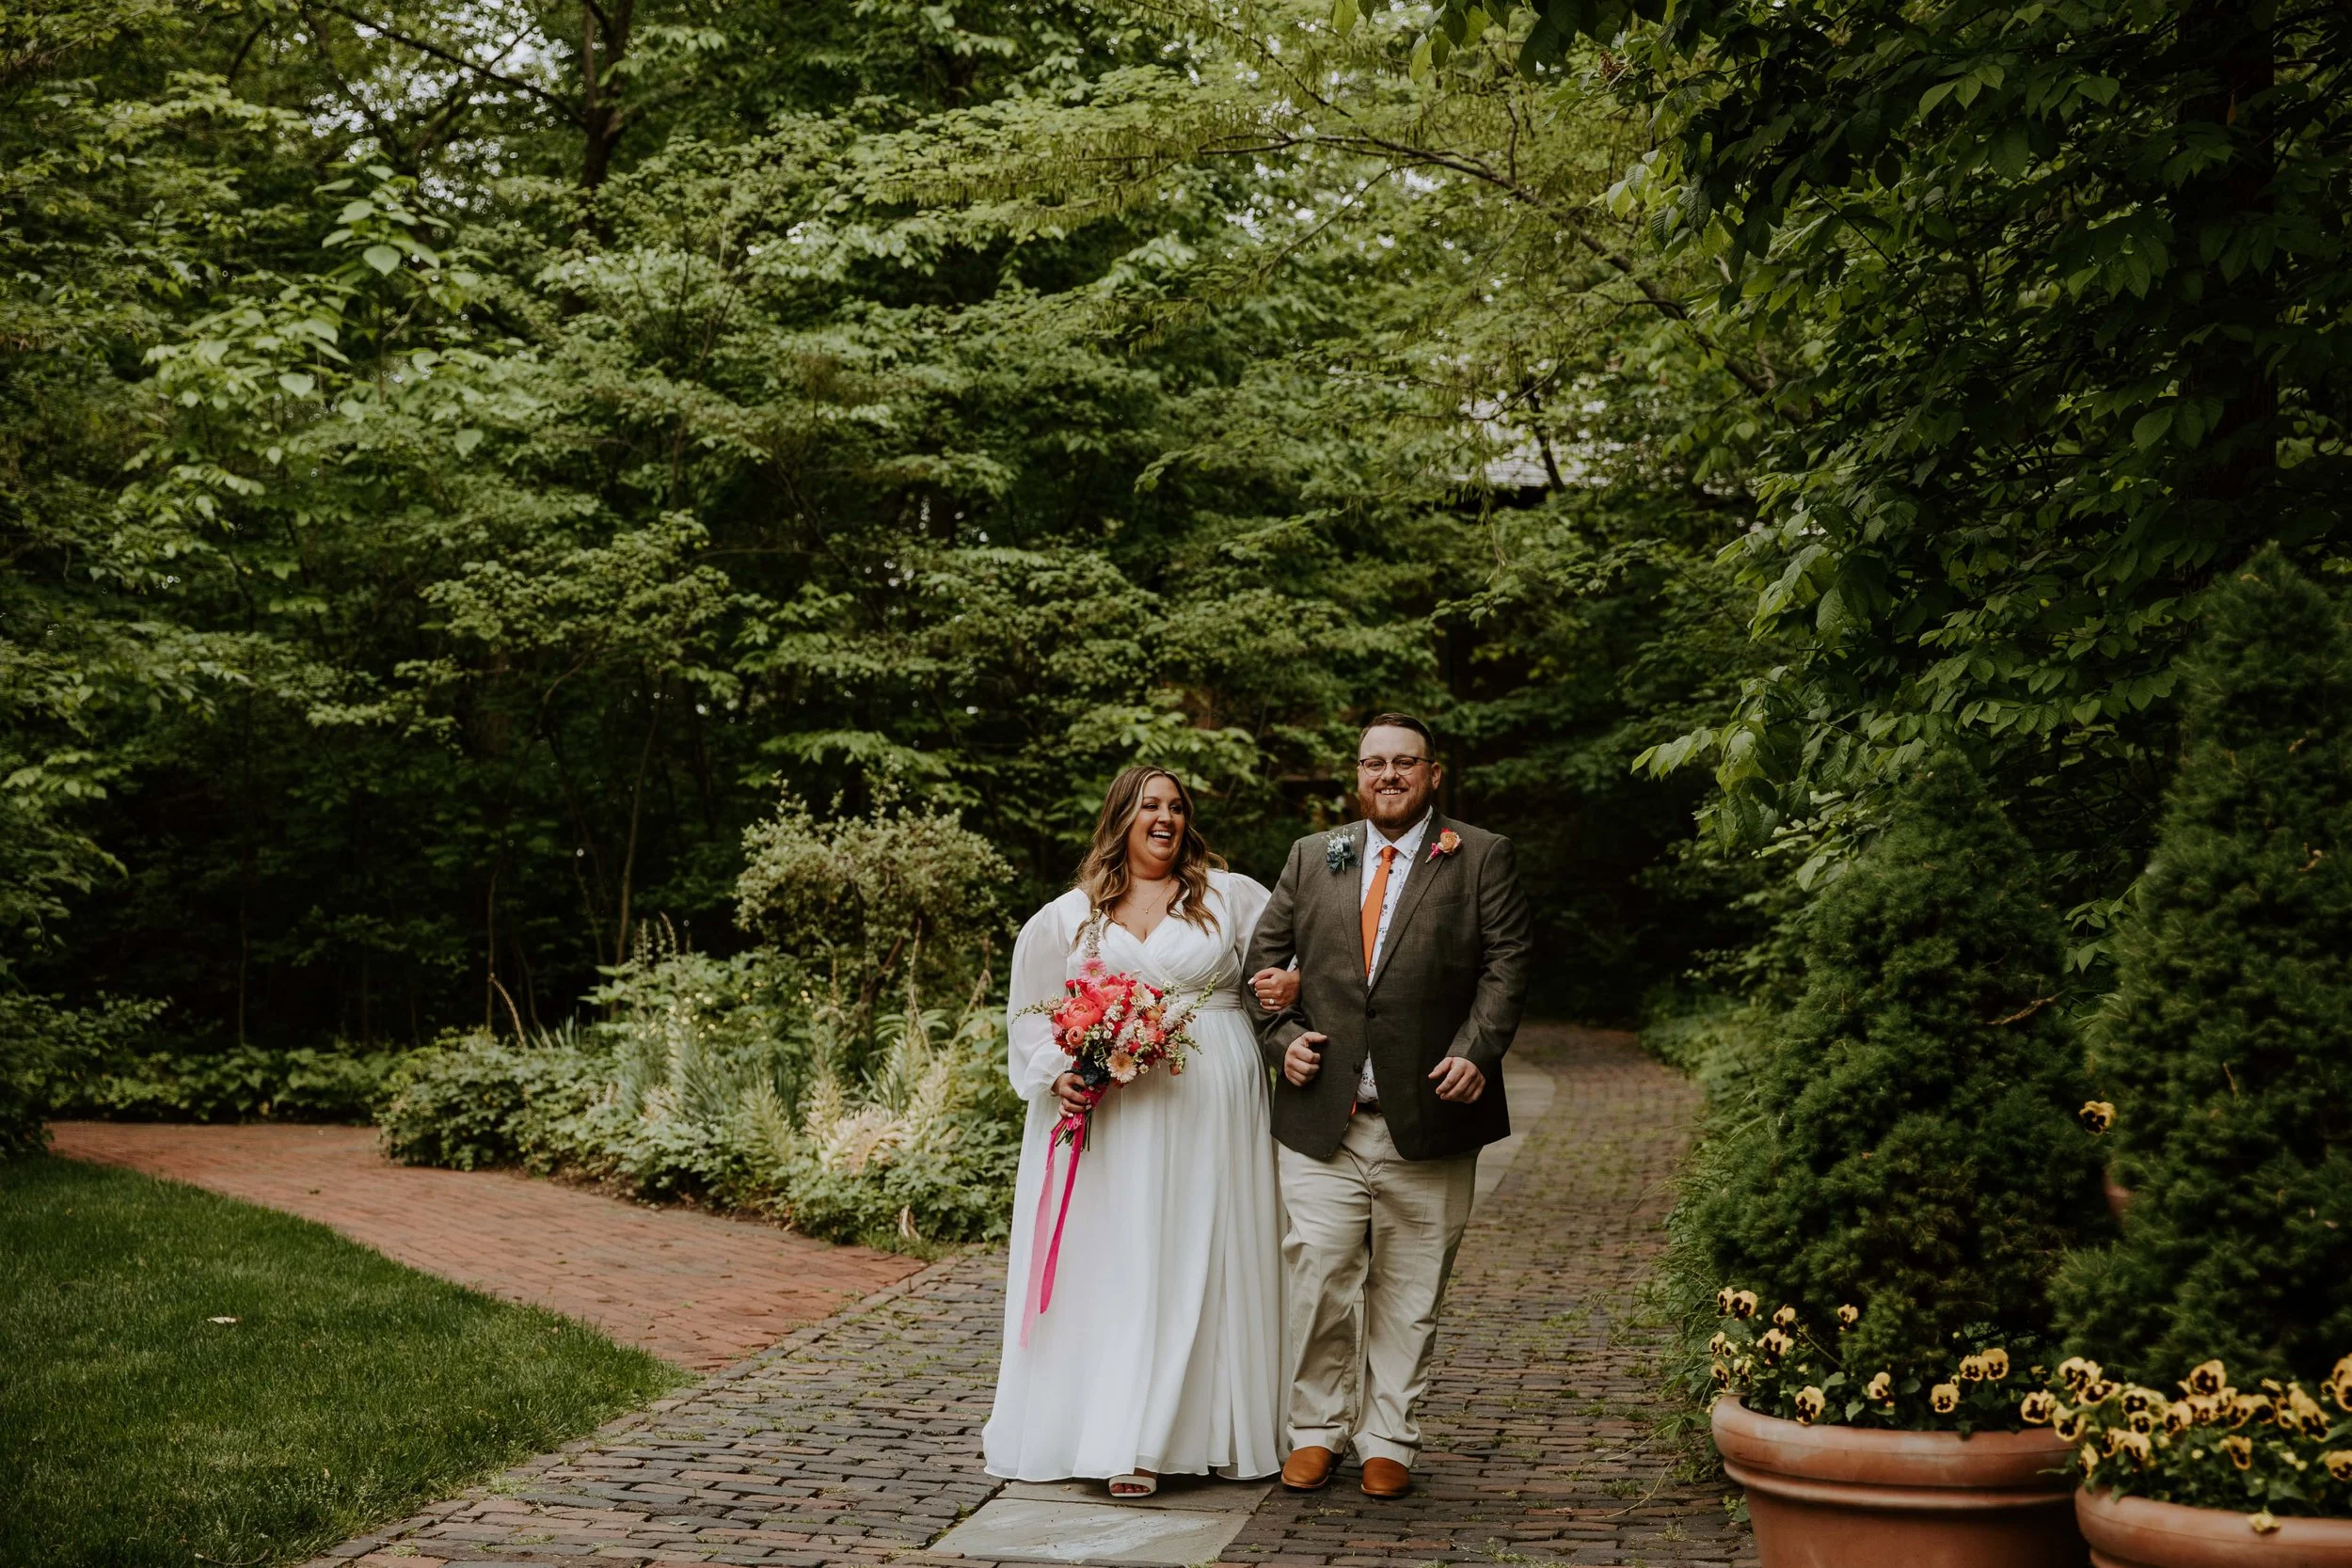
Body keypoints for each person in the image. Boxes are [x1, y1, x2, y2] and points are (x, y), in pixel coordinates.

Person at [1242, 712, 1532, 1499]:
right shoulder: (1315, 855)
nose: (1389, 775)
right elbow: (1260, 967)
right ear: (1358, 774)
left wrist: (1477, 1051)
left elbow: (1506, 966)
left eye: (1405, 762)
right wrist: (1283, 1038)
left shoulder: (1480, 856)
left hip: (1432, 1115)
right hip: (1321, 1120)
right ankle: (1314, 1429)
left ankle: (1390, 1437)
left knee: (1410, 1290)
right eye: (1375, 763)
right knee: (1318, 1282)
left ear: (1433, 774)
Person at [982, 765, 1284, 1495]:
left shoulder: (1232, 897)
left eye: (1177, 806)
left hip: (1213, 1100)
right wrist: (1056, 1072)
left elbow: (1290, 967)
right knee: (1120, 1262)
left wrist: (1289, 988)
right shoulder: (1069, 917)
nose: (1166, 817)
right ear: (1120, 815)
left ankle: (1183, 1433)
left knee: (1199, 1257)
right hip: (1117, 1111)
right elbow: (1032, 1018)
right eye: (1150, 804)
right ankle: (1116, 1432)